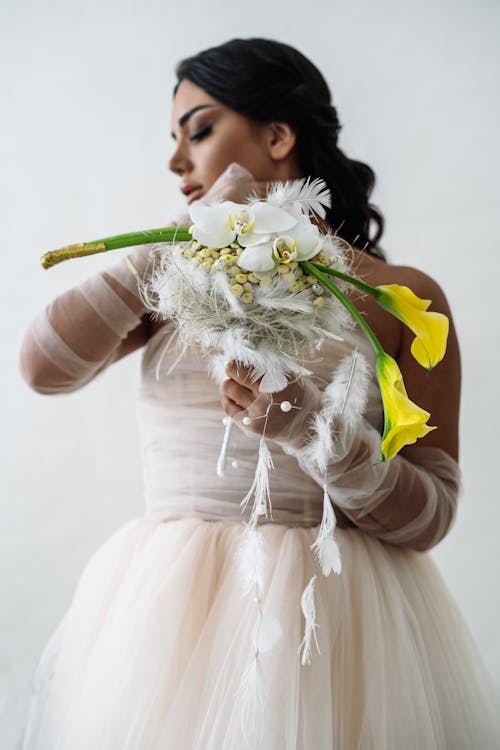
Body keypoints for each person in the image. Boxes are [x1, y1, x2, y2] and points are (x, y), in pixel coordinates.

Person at [18, 38, 500, 749]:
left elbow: (432, 516)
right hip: (168, 628)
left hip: (341, 629)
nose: (176, 161)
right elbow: (40, 367)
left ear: (278, 136)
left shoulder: (400, 299)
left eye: (200, 129)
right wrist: (179, 239)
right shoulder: (171, 282)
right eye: (173, 138)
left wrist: (315, 430)